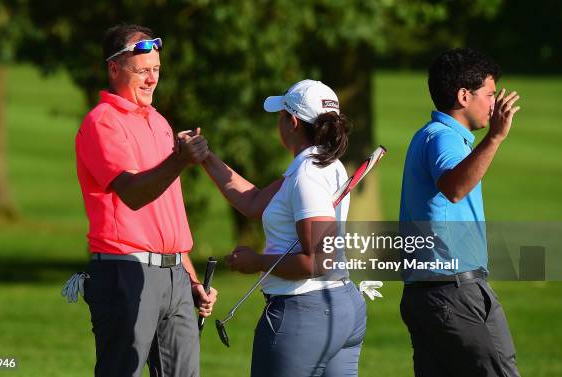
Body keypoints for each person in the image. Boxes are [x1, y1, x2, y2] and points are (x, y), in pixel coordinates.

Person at [75, 24, 217, 377]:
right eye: (142, 70)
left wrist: (191, 279)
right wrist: (180, 160)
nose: (152, 79)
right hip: (124, 270)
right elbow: (134, 194)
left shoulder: (159, 122)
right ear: (114, 69)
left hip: (176, 278)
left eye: (156, 69)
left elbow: (166, 215)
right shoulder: (102, 123)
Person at [202, 79, 369, 376]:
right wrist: (205, 158)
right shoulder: (320, 164)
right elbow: (254, 202)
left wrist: (257, 263)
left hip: (306, 310)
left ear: (292, 122)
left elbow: (318, 260)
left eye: (280, 116)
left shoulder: (307, 174)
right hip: (339, 306)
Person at [399, 48, 521, 376]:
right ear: (464, 96)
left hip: (428, 294)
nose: (494, 103)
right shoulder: (444, 139)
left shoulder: (431, 135)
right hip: (454, 292)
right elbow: (454, 188)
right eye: (490, 94)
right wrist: (495, 137)